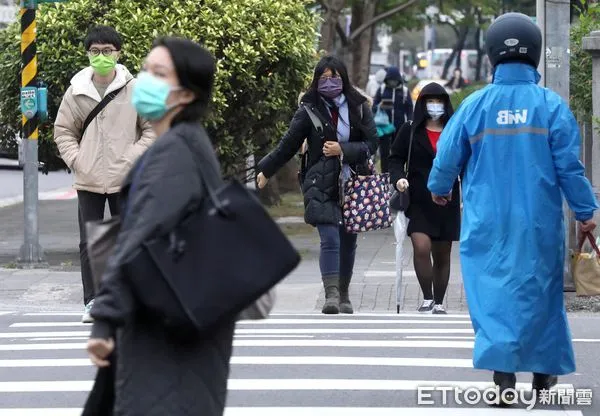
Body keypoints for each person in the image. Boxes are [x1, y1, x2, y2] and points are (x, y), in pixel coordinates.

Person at [427, 12, 599, 403]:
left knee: (493, 297)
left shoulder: (474, 106)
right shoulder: (551, 108)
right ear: (535, 54)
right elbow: (570, 169)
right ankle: (543, 374)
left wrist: (439, 189)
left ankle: (503, 374)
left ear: (491, 55)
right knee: (542, 296)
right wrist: (586, 212)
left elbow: (446, 159)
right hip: (538, 224)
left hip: (486, 224)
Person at [86, 38, 236, 415]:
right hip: (169, 328)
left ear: (184, 93)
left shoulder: (176, 154)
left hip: (166, 341)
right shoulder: (181, 145)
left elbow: (140, 240)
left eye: (158, 74)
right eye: (145, 69)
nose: (144, 80)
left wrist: (104, 320)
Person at [256, 55, 377, 315]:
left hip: (353, 182)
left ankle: (344, 293)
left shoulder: (359, 108)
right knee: (330, 237)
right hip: (319, 182)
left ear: (343, 79)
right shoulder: (308, 110)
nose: (329, 82)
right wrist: (266, 169)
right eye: (323, 78)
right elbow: (287, 144)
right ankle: (331, 295)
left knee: (348, 240)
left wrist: (342, 149)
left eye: (334, 77)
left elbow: (372, 144)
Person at [54, 25, 156, 323]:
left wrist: (131, 160)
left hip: (125, 178)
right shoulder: (76, 92)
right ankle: (93, 301)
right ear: (88, 54)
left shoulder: (135, 89)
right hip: (89, 179)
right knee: (90, 242)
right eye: (95, 51)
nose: (101, 57)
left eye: (107, 51)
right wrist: (77, 159)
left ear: (118, 53)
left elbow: (151, 130)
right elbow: (63, 131)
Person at [389, 82, 460, 315]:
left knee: (442, 253)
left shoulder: (455, 130)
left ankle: (439, 302)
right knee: (421, 246)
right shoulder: (410, 130)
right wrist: (399, 179)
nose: (435, 105)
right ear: (422, 103)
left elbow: (467, 161)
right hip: (418, 199)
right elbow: (395, 159)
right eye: (430, 100)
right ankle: (427, 297)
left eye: (439, 100)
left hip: (447, 199)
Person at [372, 66, 413, 173]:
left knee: (398, 151)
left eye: (394, 80)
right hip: (384, 126)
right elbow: (374, 106)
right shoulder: (381, 89)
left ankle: (397, 172)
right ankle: (385, 173)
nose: (392, 83)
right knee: (384, 152)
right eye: (390, 80)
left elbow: (409, 109)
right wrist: (380, 105)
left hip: (400, 127)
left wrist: (410, 122)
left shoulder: (404, 91)